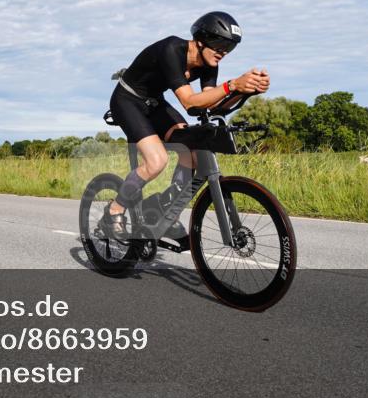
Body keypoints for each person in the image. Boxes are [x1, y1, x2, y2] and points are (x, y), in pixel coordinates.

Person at [102, 12, 270, 241]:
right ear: (201, 40)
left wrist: (245, 91)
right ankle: (114, 209)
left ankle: (165, 210)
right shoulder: (172, 49)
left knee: (191, 151)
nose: (223, 52)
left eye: (229, 48)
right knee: (156, 161)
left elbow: (208, 104)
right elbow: (189, 102)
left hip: (155, 103)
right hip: (127, 100)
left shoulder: (209, 64)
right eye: (220, 44)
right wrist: (232, 85)